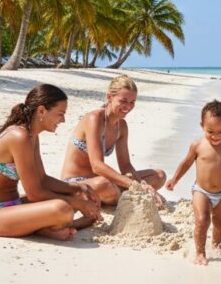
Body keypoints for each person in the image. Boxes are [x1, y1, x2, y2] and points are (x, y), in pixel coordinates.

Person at [0, 84, 101, 240]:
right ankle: (49, 228)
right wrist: (78, 204)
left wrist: (79, 188)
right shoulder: (20, 137)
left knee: (73, 198)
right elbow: (34, 194)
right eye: (60, 114)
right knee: (63, 208)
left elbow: (43, 180)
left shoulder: (31, 136)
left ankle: (44, 228)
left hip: (14, 206)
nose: (63, 120)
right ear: (41, 111)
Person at [165, 101, 221, 265]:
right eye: (210, 131)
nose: (216, 136)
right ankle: (200, 252)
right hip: (201, 191)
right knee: (202, 220)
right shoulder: (197, 146)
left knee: (220, 224)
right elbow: (186, 163)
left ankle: (216, 245)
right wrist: (174, 180)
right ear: (202, 125)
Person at [60, 75, 166, 207]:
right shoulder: (94, 119)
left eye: (132, 102)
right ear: (109, 97)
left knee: (159, 176)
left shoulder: (121, 126)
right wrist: (134, 185)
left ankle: (120, 196)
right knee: (106, 185)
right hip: (77, 184)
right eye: (123, 101)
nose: (128, 106)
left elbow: (126, 165)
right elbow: (97, 166)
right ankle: (123, 197)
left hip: (101, 181)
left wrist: (142, 184)